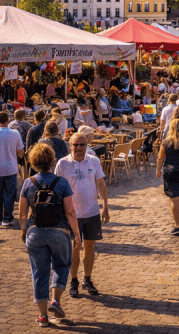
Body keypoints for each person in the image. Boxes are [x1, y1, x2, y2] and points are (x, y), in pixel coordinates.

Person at [19, 142, 83, 328]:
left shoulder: (28, 183)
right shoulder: (61, 182)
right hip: (59, 232)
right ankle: (55, 300)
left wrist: (25, 230)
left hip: (35, 232)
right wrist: (76, 235)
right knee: (62, 265)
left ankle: (42, 316)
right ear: (51, 160)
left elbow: (22, 214)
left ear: (33, 162)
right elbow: (70, 212)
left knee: (39, 272)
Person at [54, 132, 109, 297]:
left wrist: (105, 206)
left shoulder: (93, 161)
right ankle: (74, 280)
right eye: (75, 145)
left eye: (82, 145)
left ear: (87, 146)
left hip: (92, 212)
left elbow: (100, 183)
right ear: (70, 145)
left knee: (90, 247)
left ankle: (87, 279)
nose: (78, 148)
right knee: (75, 248)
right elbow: (56, 189)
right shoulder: (62, 164)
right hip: (72, 215)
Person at [1, 111, 25, 227]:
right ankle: (7, 218)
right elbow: (21, 152)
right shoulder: (15, 133)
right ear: (8, 120)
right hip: (11, 168)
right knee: (9, 194)